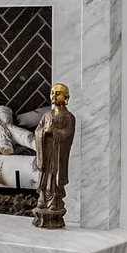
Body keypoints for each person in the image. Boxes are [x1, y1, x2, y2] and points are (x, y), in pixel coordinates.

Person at [32, 83, 74, 230]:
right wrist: (43, 132)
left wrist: (53, 131)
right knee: (44, 179)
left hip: (57, 157)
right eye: (52, 93)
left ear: (66, 98)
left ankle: (54, 203)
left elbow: (68, 135)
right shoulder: (46, 115)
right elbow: (37, 131)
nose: (54, 96)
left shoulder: (69, 117)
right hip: (46, 156)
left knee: (54, 179)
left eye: (58, 93)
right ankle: (42, 201)